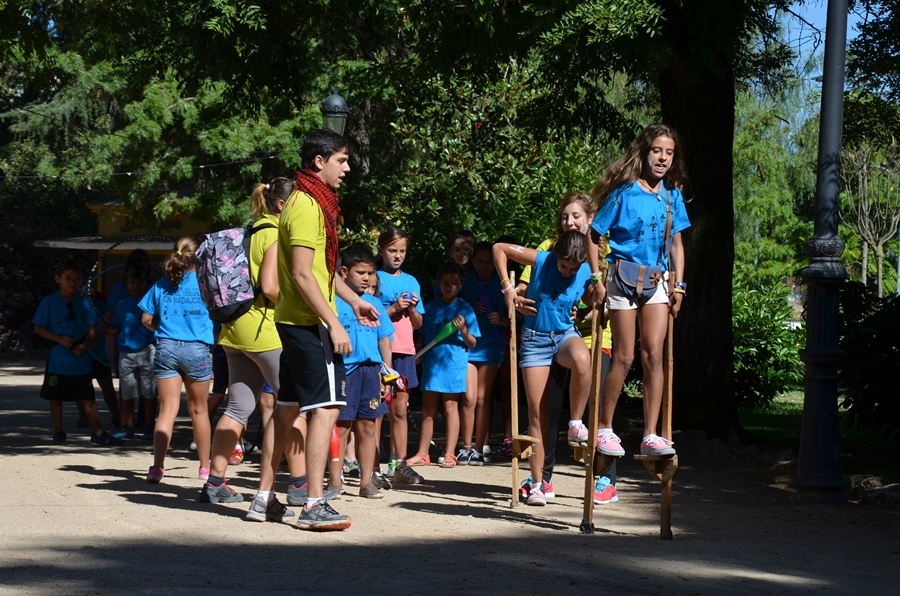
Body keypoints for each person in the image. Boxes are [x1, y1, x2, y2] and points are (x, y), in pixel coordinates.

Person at [267, 129, 380, 531]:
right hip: (307, 323)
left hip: (299, 320)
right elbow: (300, 273)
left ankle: (264, 497)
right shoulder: (307, 206)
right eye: (342, 160)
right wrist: (334, 323)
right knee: (328, 408)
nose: (347, 168)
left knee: (287, 409)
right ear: (320, 161)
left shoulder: (309, 201)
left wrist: (353, 300)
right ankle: (313, 504)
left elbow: (320, 270)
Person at [587, 124, 690, 459]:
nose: (663, 158)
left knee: (655, 356)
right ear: (645, 152)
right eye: (657, 150)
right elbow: (594, 233)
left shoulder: (672, 195)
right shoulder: (624, 192)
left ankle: (650, 434)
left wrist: (680, 286)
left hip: (658, 282)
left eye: (669, 152)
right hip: (621, 278)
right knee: (625, 355)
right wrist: (596, 278)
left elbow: (677, 244)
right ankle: (604, 428)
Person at [514, 193, 617, 502]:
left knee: (596, 411)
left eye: (576, 216)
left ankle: (604, 479)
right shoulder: (549, 248)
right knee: (547, 413)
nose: (569, 222)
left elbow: (606, 301)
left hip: (590, 337)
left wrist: (587, 309)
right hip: (547, 336)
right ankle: (541, 480)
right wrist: (517, 297)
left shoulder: (602, 252)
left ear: (590, 218)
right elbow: (526, 284)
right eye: (564, 217)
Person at [201, 177, 292, 515]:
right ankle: (299, 485)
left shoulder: (249, 232)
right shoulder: (275, 236)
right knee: (292, 406)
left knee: (238, 408)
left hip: (233, 330)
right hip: (265, 333)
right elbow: (270, 286)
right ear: (282, 206)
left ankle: (215, 482)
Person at [493, 231, 593, 505]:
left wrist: (585, 310)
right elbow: (499, 248)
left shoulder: (587, 270)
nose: (568, 271)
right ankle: (538, 483)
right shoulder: (541, 259)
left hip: (564, 336)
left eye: (573, 269)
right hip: (534, 340)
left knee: (584, 360)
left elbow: (595, 300)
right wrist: (508, 289)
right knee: (538, 414)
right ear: (556, 256)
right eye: (564, 266)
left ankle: (575, 422)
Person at [138, 236, 215, 484]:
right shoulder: (206, 284)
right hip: (198, 350)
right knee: (199, 411)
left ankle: (157, 468)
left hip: (166, 349)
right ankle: (205, 469)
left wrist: (168, 328)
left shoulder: (162, 283)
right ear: (199, 258)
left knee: (167, 410)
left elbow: (146, 320)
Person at [326, 244, 395, 499]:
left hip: (371, 371)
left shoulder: (374, 302)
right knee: (341, 426)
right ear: (344, 272)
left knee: (368, 427)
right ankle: (335, 482)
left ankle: (366, 482)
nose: (367, 278)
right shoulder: (332, 301)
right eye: (361, 273)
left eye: (370, 273)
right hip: (345, 371)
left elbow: (384, 340)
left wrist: (387, 372)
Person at [32, 260, 122, 446]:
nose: (72, 283)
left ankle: (97, 431)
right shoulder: (49, 302)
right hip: (58, 359)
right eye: (68, 279)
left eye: (76, 279)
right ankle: (59, 431)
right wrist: (59, 339)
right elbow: (38, 328)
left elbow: (91, 328)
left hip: (80, 358)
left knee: (87, 395)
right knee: (55, 396)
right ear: (58, 279)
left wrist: (86, 346)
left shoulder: (84, 303)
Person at [415, 262, 480, 468]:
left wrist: (463, 331)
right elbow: (423, 335)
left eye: (454, 283)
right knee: (427, 409)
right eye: (445, 283)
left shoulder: (465, 309)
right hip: (432, 365)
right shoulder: (431, 308)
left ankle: (451, 453)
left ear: (460, 284)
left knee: (451, 407)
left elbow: (473, 343)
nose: (449, 287)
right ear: (438, 284)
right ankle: (422, 453)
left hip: (453, 365)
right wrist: (418, 352)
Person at [375, 226, 425, 484]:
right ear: (381, 249)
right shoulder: (374, 277)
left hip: (405, 350)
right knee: (377, 408)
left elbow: (418, 323)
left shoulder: (412, 281)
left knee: (400, 409)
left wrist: (412, 309)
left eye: (402, 251)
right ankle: (372, 466)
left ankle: (399, 463)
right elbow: (369, 314)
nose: (397, 256)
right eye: (392, 250)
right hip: (381, 351)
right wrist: (393, 307)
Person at [459, 241, 507, 465]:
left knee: (482, 398)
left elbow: (517, 318)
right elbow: (452, 305)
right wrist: (470, 306)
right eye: (480, 261)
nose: (485, 266)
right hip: (468, 346)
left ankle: (480, 447)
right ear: (473, 262)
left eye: (489, 261)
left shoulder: (502, 285)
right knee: (468, 398)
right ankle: (465, 447)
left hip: (492, 346)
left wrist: (502, 319)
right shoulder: (465, 283)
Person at [107, 265, 158, 440]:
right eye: (132, 283)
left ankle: (149, 426)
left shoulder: (151, 303)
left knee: (149, 392)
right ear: (126, 285)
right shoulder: (122, 304)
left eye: (139, 283)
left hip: (147, 351)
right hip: (126, 353)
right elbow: (116, 326)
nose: (135, 286)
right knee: (127, 391)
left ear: (145, 284)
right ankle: (126, 424)